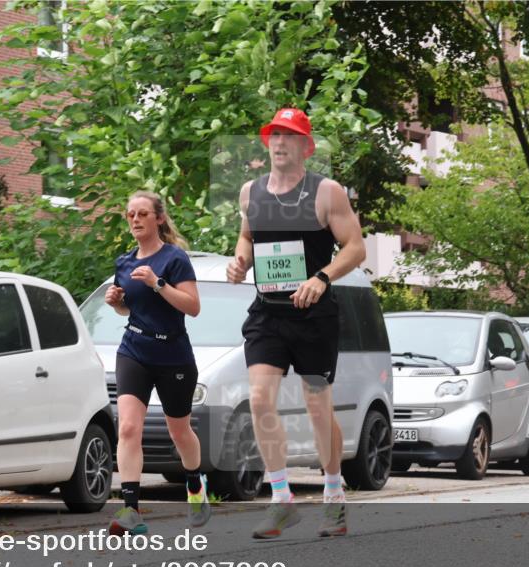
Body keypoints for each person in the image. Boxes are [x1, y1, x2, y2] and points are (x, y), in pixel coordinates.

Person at [227, 108, 366, 539]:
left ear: (307, 146)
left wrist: (322, 277)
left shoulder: (326, 192)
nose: (280, 142)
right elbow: (247, 236)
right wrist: (240, 261)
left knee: (317, 406)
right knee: (259, 400)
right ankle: (281, 498)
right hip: (268, 312)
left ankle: (333, 495)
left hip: (313, 316)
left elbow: (355, 248)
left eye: (289, 136)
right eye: (274, 135)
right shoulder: (251, 192)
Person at [105, 191, 209, 535]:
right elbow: (130, 309)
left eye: (143, 214)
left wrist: (157, 282)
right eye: (130, 214)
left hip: (173, 354)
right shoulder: (124, 262)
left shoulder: (174, 259)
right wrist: (117, 303)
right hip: (134, 349)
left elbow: (192, 307)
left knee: (179, 431)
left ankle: (194, 483)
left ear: (159, 218)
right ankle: (131, 510)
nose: (135, 219)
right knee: (128, 428)